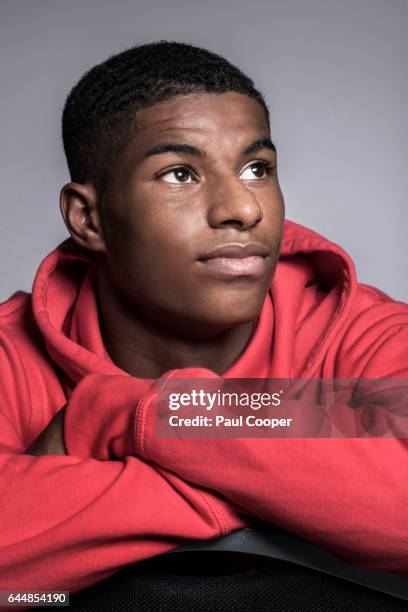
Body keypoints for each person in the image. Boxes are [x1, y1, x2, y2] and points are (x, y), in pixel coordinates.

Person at [0, 40, 407, 600]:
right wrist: (287, 497)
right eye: (179, 174)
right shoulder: (10, 354)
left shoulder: (364, 332)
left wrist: (134, 413)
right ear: (88, 217)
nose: (243, 207)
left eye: (257, 167)